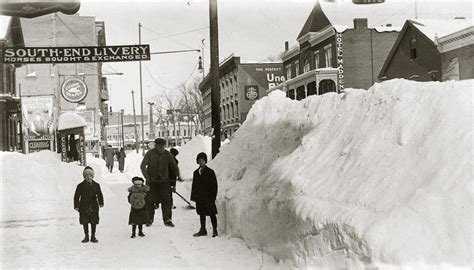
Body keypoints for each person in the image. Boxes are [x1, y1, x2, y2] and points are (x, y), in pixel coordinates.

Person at [140, 138, 179, 227]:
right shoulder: (150, 153)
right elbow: (142, 166)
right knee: (149, 201)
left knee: (166, 201)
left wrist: (176, 177)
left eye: (163, 146)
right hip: (152, 182)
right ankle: (149, 219)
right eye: (159, 146)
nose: (161, 148)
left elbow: (174, 166)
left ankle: (167, 219)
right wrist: (147, 177)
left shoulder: (167, 154)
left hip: (164, 182)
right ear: (155, 145)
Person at [191, 152, 218, 237]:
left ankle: (215, 230)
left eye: (202, 160)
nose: (201, 162)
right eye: (199, 160)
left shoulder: (210, 172)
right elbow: (194, 185)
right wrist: (194, 196)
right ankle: (203, 229)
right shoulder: (196, 173)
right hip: (200, 197)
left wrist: (213, 197)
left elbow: (214, 186)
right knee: (201, 213)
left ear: (205, 161)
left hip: (209, 197)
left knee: (212, 214)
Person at [74, 166, 104, 243]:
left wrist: (101, 202)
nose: (88, 177)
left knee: (94, 221)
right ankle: (86, 236)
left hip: (93, 206)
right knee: (85, 222)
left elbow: (100, 194)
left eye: (90, 176)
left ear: (92, 176)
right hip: (83, 206)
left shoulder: (96, 185)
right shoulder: (80, 185)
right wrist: (76, 206)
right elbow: (76, 196)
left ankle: (93, 236)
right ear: (84, 176)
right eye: (86, 176)